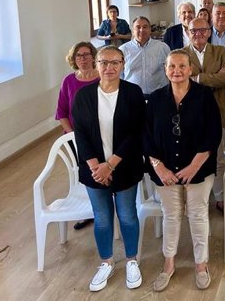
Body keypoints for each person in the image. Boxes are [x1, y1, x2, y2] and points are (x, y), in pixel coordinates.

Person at [146, 50, 222, 292]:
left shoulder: (204, 96)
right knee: (171, 215)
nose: (176, 71)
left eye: (182, 66)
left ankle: (201, 264)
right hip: (164, 170)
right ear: (166, 70)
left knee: (198, 215)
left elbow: (213, 133)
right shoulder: (156, 98)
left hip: (198, 169)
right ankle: (168, 264)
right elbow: (145, 136)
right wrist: (159, 167)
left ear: (191, 69)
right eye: (172, 66)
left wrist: (195, 165)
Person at [72, 46, 145, 292]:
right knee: (102, 219)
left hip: (124, 166)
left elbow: (136, 132)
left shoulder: (134, 93)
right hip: (94, 170)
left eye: (115, 62)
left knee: (127, 215)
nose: (109, 67)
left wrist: (111, 164)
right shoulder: (83, 96)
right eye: (103, 62)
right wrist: (96, 167)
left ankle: (132, 260)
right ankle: (106, 262)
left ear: (123, 64)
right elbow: (79, 133)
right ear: (96, 64)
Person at [184, 17, 225, 211]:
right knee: (193, 156)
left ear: (209, 31)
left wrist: (196, 77)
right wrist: (214, 77)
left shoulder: (221, 51)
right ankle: (197, 199)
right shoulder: (181, 55)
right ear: (188, 33)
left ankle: (219, 195)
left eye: (203, 30)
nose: (199, 34)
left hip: (219, 109)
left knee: (219, 157)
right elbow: (182, 81)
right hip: (193, 114)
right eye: (194, 31)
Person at [55, 41, 99, 230]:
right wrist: (73, 136)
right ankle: (89, 210)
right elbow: (61, 113)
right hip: (77, 137)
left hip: (102, 135)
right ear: (73, 59)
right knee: (84, 174)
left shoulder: (102, 77)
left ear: (93, 56)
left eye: (86, 54)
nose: (83, 59)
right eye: (78, 56)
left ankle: (105, 208)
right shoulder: (68, 81)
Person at [120, 16, 170, 97]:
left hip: (159, 95)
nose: (141, 30)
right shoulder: (123, 50)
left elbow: (169, 71)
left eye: (145, 27)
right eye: (138, 27)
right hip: (132, 96)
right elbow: (120, 75)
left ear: (150, 29)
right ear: (133, 30)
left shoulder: (163, 47)